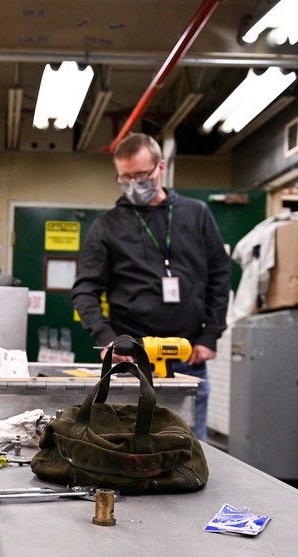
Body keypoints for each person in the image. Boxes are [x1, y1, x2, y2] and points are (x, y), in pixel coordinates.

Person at [72, 132, 230, 442]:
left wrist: (210, 334)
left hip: (187, 357)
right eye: (125, 177)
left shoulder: (196, 214)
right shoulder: (107, 225)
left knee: (187, 448)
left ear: (160, 168)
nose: (133, 184)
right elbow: (85, 289)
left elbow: (220, 276)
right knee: (126, 445)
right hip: (129, 361)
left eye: (141, 175)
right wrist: (106, 338)